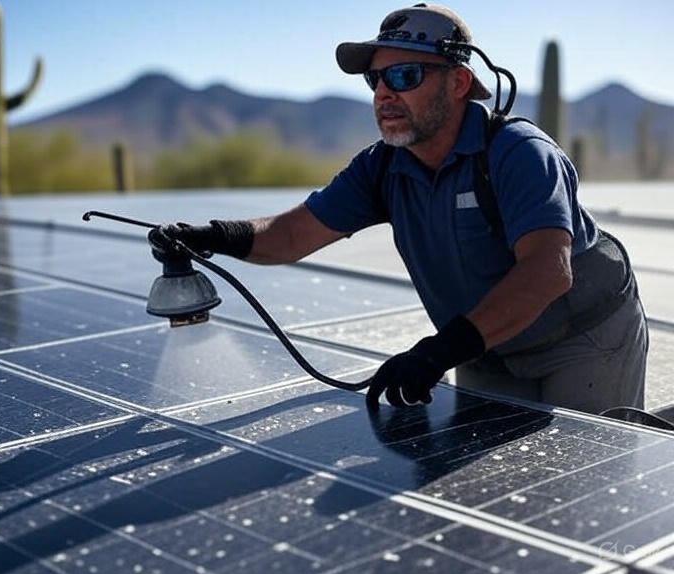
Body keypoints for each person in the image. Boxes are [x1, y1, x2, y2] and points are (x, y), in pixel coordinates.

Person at [155, 3, 648, 414]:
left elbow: (547, 272)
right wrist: (213, 236)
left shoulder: (518, 152)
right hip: (487, 345)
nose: (385, 92)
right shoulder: (382, 168)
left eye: (405, 74)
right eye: (375, 79)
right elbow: (291, 234)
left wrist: (438, 353)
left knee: (585, 486)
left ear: (457, 83)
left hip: (583, 340)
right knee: (497, 486)